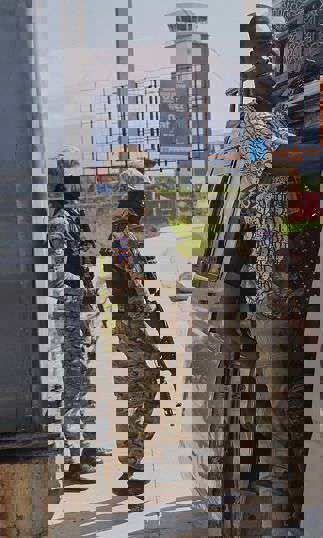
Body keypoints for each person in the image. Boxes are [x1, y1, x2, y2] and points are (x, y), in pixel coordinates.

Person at [105, 160, 173, 502]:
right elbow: (138, 283)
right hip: (136, 325)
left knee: (146, 389)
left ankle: (135, 465)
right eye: (142, 198)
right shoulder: (124, 235)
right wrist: (156, 319)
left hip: (133, 324)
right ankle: (134, 468)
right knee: (142, 391)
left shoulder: (122, 232)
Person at [48, 147, 101, 485]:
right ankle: (76, 458)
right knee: (74, 383)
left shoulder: (68, 217)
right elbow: (61, 275)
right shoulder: (61, 221)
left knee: (78, 381)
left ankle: (82, 450)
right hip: (68, 314)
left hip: (73, 312)